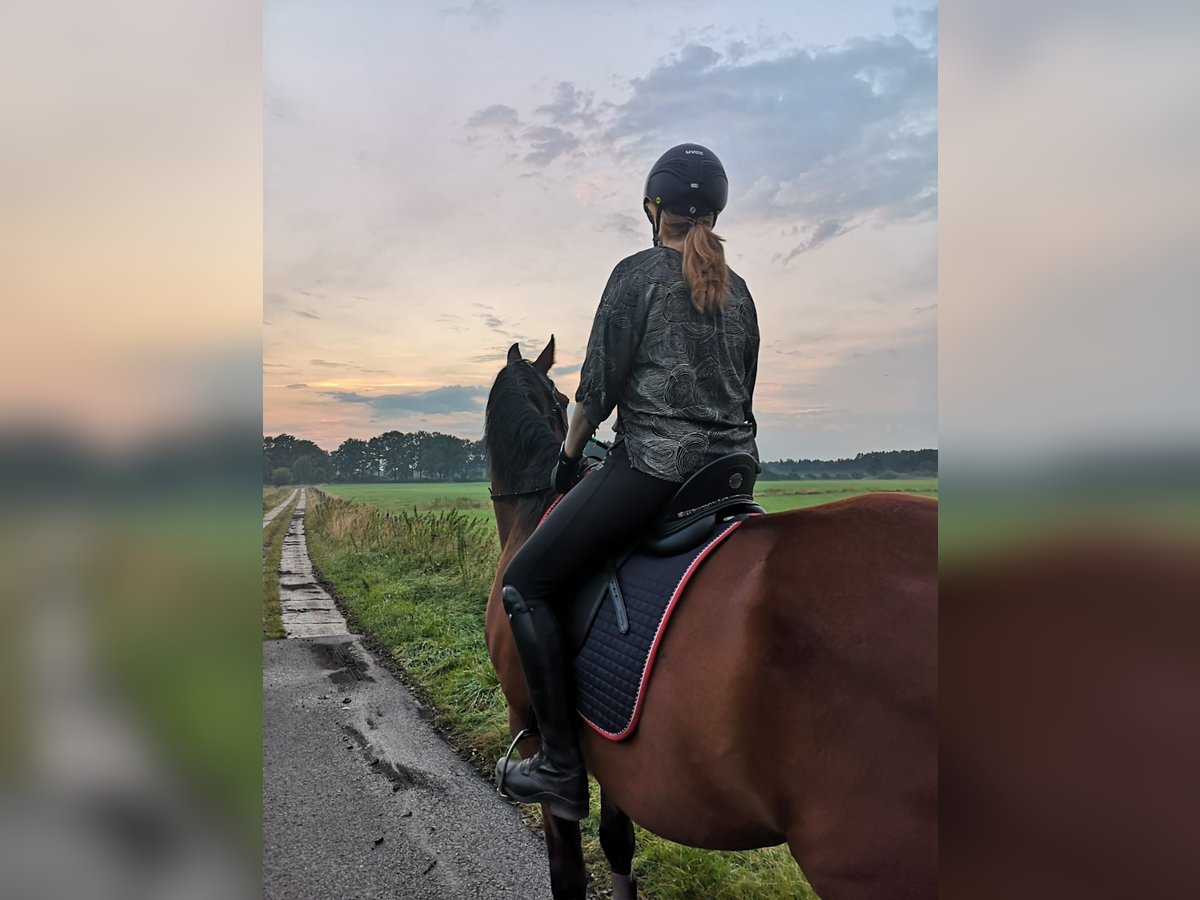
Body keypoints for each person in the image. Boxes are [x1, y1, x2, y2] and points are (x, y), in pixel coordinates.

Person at [494, 143, 760, 821]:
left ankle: (558, 767)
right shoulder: (741, 291)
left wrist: (567, 456)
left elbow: (596, 392)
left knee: (526, 582)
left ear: (653, 208)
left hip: (655, 473)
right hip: (729, 475)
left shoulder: (637, 274)